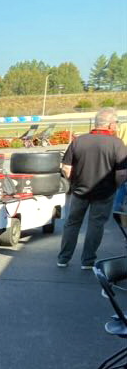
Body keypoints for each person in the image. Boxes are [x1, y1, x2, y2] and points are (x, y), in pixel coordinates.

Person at [56, 108, 127, 269]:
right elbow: (122, 173)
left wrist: (75, 182)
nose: (116, 126)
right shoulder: (117, 144)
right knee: (96, 225)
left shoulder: (78, 141)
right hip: (104, 193)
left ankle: (63, 258)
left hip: (79, 192)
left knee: (72, 224)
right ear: (110, 125)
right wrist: (114, 186)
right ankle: (87, 261)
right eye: (116, 123)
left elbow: (66, 169)